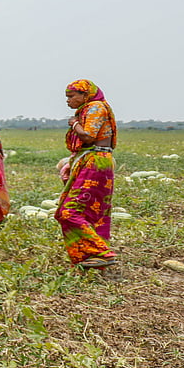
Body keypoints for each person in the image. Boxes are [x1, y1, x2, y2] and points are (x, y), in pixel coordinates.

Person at [56, 79, 118, 269]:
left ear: (85, 95)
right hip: (93, 160)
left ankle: (101, 253)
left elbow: (89, 136)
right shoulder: (88, 108)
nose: (68, 101)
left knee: (68, 212)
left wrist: (74, 124)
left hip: (95, 162)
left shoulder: (95, 107)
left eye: (71, 96)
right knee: (91, 211)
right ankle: (89, 258)